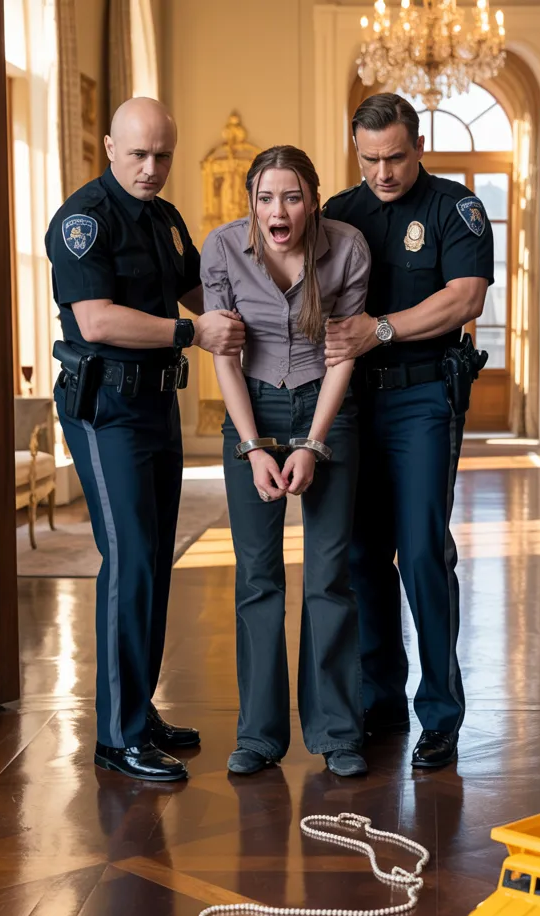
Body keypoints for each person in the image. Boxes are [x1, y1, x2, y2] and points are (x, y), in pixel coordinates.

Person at [46, 98, 245, 782]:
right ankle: (118, 737)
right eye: (138, 154)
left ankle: (138, 710)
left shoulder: (165, 218)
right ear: (110, 148)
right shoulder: (83, 221)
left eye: (163, 155)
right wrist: (194, 333)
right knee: (130, 559)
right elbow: (96, 321)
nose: (151, 168)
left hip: (157, 403)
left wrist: (252, 315)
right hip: (106, 410)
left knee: (156, 561)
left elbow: (197, 292)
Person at [321, 93, 493, 769]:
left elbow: (465, 297)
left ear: (419, 147)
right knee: (362, 556)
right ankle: (381, 699)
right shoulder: (339, 212)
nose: (383, 172)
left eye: (395, 157)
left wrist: (382, 329)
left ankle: (441, 715)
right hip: (352, 402)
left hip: (423, 397)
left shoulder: (455, 208)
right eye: (370, 159)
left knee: (421, 552)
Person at [202, 146, 372, 778]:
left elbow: (344, 353)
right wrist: (252, 448)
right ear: (251, 202)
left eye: (292, 197)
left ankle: (338, 734)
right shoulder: (222, 248)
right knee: (257, 577)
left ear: (313, 201)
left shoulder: (347, 247)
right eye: (266, 198)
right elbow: (224, 355)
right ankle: (259, 735)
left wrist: (314, 443)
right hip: (252, 410)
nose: (279, 210)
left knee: (329, 575)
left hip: (326, 408)